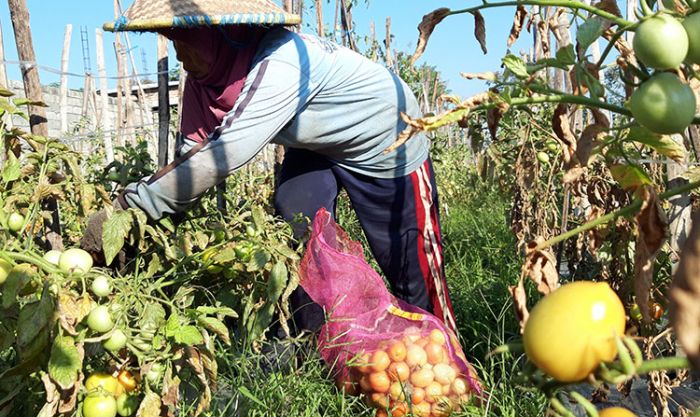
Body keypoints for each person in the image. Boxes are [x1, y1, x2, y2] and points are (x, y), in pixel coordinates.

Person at [95, 0, 458, 336]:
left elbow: (225, 152)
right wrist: (134, 222)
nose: (179, 53)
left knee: (409, 258)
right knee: (295, 220)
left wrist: (133, 205)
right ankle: (312, 341)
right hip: (317, 143)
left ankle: (444, 351)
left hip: (385, 136)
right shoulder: (204, 82)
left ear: (224, 34)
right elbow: (189, 159)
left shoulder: (281, 60)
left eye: (187, 39)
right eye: (173, 40)